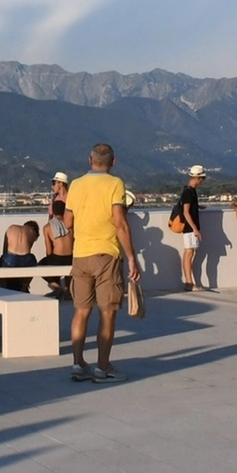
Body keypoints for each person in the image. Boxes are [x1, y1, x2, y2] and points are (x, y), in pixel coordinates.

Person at [67, 143, 140, 383]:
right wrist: (131, 258)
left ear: (90, 160)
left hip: (81, 255)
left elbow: (67, 222)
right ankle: (103, 367)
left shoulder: (75, 185)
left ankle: (78, 364)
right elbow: (120, 223)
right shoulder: (115, 184)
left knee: (81, 311)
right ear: (113, 162)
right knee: (107, 313)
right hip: (106, 255)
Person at [39, 199, 74, 299]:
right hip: (71, 257)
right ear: (64, 211)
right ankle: (68, 290)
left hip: (57, 258)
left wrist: (49, 258)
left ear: (53, 212)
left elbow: (49, 250)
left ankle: (57, 287)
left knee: (41, 265)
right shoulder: (71, 224)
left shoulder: (47, 227)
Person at [179, 165, 205, 291]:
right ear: (198, 178)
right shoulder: (189, 192)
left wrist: (198, 207)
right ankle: (189, 282)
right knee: (189, 253)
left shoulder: (189, 191)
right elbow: (185, 212)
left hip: (190, 228)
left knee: (189, 253)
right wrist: (195, 228)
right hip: (189, 228)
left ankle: (189, 282)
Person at [0, 221, 40, 292]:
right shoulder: (31, 231)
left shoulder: (11, 228)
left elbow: (5, 248)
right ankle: (25, 285)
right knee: (33, 261)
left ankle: (3, 286)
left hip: (11, 259)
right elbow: (27, 250)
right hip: (27, 260)